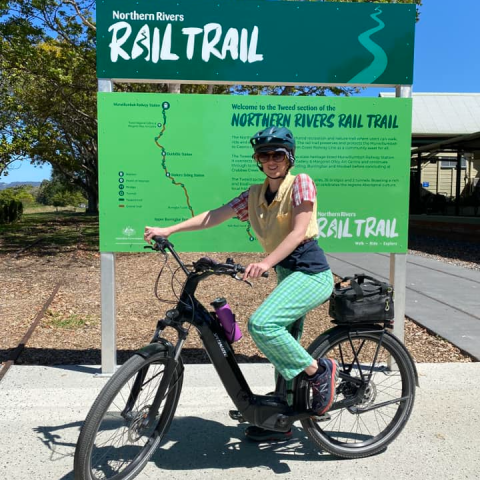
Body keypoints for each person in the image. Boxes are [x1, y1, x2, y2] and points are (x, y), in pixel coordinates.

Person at [144, 126, 337, 442]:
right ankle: (281, 421)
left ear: (289, 158)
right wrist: (170, 229)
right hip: (288, 274)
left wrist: (265, 263)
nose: (271, 160)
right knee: (282, 345)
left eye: (278, 154)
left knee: (262, 325)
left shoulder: (300, 184)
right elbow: (214, 216)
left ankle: (319, 372)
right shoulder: (254, 194)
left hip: (311, 273)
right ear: (258, 160)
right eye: (265, 155)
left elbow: (298, 232)